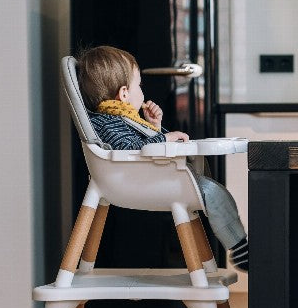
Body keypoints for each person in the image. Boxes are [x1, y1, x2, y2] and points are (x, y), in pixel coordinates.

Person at [76, 45, 249, 271]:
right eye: (139, 85)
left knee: (212, 188)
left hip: (144, 177)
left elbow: (140, 145)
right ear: (124, 93)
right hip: (138, 182)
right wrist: (165, 139)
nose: (143, 92)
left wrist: (154, 127)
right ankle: (239, 245)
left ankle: (238, 243)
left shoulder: (124, 119)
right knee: (212, 192)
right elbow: (129, 148)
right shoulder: (106, 121)